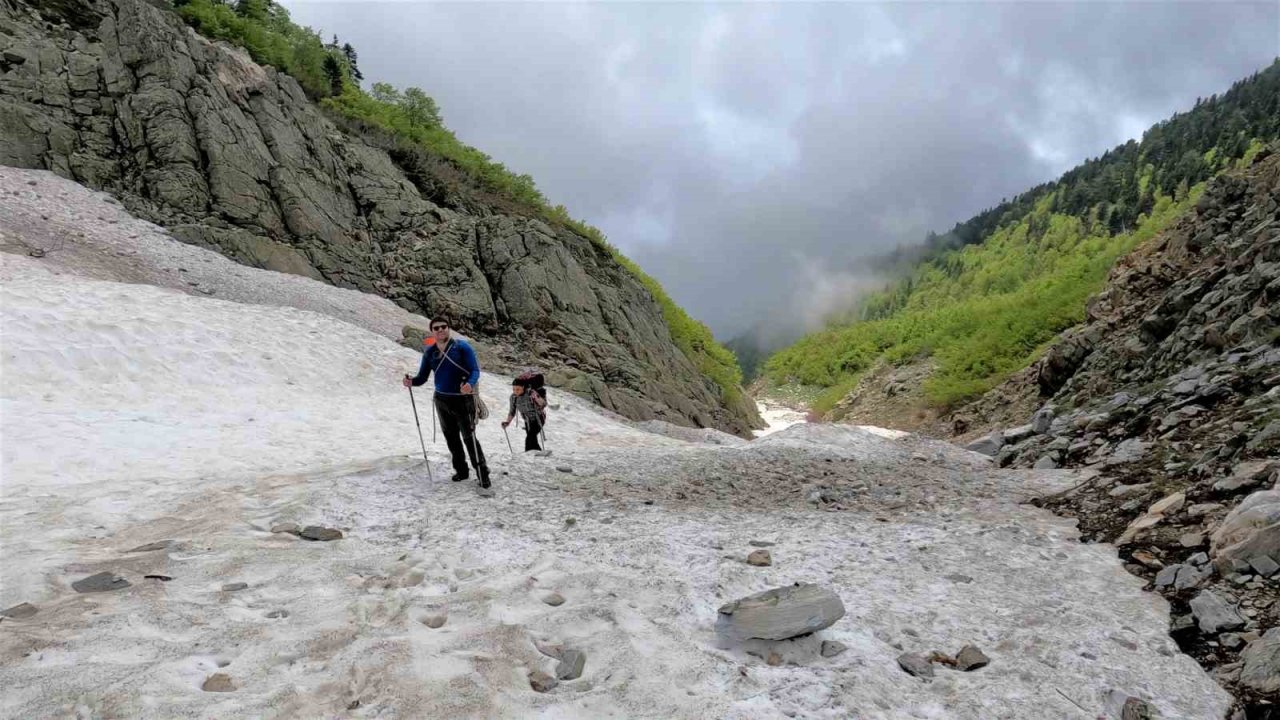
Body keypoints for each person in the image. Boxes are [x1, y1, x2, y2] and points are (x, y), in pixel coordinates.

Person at [402, 316, 489, 488]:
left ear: (448, 328)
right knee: (451, 438)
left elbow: (474, 370)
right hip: (441, 400)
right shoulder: (430, 352)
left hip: (463, 399)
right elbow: (422, 378)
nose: (440, 330)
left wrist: (470, 384)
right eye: (436, 328)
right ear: (432, 332)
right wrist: (411, 381)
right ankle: (461, 471)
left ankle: (482, 473)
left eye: (444, 326)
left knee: (468, 437)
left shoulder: (462, 347)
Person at [502, 380, 547, 452]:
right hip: (527, 420)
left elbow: (543, 404)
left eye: (518, 389)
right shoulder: (513, 397)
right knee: (532, 439)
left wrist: (536, 399)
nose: (515, 391)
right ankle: (538, 452)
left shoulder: (530, 393)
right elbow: (512, 412)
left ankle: (528, 454)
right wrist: (507, 422)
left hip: (539, 418)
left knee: (530, 438)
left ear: (523, 387)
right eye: (514, 389)